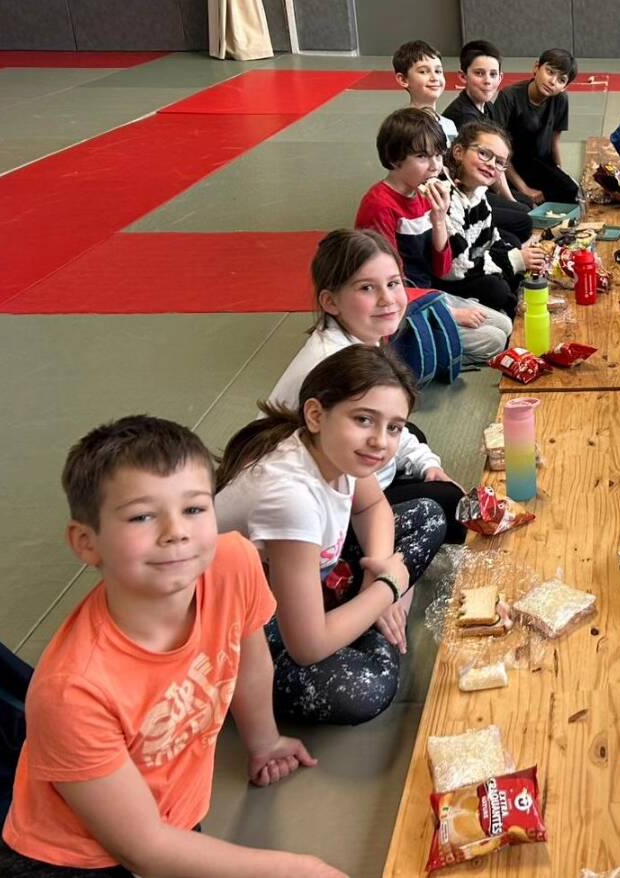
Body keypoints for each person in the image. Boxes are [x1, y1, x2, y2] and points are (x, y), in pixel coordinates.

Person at [0, 416, 342, 877]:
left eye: (194, 509)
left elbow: (251, 663)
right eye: (142, 516)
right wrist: (299, 870)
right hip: (74, 860)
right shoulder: (72, 690)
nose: (176, 531)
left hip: (167, 817)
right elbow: (145, 850)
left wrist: (265, 742)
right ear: (86, 542)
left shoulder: (232, 563)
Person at [216, 346, 447, 725]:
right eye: (363, 419)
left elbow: (373, 507)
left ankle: (365, 616)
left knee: (429, 514)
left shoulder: (334, 452)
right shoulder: (292, 498)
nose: (380, 441)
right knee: (366, 689)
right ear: (315, 415)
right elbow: (307, 647)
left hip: (296, 583)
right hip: (236, 636)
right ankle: (375, 618)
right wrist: (389, 588)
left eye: (394, 427)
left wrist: (375, 571)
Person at [268, 229, 471, 544]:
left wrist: (426, 465)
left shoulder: (355, 340)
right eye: (366, 288)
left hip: (340, 466)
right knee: (448, 505)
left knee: (411, 434)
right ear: (330, 301)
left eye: (393, 283)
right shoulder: (337, 364)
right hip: (314, 507)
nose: (387, 299)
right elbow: (341, 472)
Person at [439, 121, 548, 316]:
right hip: (446, 280)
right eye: (484, 154)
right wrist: (514, 260)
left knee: (513, 265)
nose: (491, 164)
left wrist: (519, 257)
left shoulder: (477, 194)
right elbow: (456, 268)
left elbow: (492, 239)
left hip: (469, 264)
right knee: (496, 288)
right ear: (458, 152)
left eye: (499, 162)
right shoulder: (446, 196)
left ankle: (510, 307)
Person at [441, 39, 533, 246]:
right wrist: (509, 199)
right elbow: (482, 164)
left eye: (493, 74)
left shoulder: (488, 107)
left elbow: (497, 156)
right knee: (522, 213)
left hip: (481, 179)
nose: (487, 81)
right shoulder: (463, 115)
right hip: (465, 189)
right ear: (463, 76)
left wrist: (515, 194)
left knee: (525, 203)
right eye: (479, 73)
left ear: (500, 77)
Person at [355, 108, 451, 291]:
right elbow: (385, 280)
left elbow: (442, 270)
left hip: (427, 288)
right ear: (394, 159)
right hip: (399, 296)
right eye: (422, 156)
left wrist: (439, 221)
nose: (435, 166)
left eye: (438, 155)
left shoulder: (425, 196)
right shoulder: (379, 206)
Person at [491, 48, 579, 205]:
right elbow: (498, 153)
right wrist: (524, 188)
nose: (552, 81)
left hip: (540, 163)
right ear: (536, 67)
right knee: (525, 206)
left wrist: (560, 173)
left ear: (565, 87)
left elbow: (554, 142)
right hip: (510, 165)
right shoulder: (509, 97)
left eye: (561, 80)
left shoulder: (561, 100)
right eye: (550, 72)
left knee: (571, 192)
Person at [392, 40, 457, 146]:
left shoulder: (449, 125)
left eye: (438, 71)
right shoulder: (401, 128)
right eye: (423, 72)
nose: (434, 78)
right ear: (403, 79)